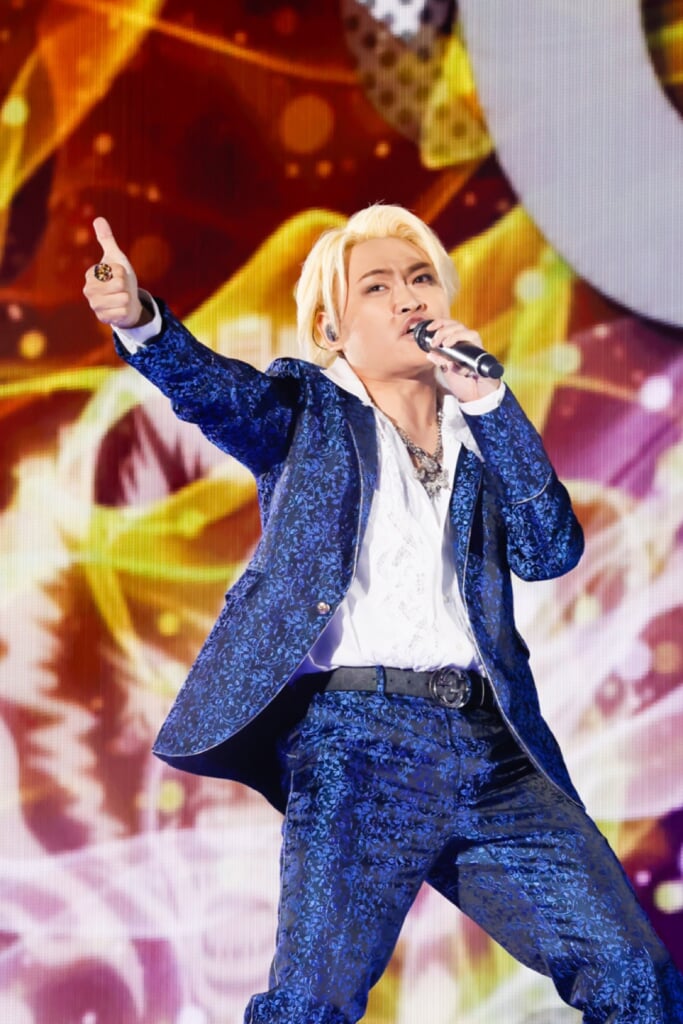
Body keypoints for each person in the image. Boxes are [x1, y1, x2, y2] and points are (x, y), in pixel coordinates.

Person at [84, 205, 683, 1024]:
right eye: (376, 286)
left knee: (633, 976)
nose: (408, 298)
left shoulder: (481, 436)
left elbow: (548, 549)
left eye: (420, 278)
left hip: (492, 748)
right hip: (358, 748)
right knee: (310, 1003)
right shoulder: (305, 412)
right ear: (331, 327)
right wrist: (141, 322)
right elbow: (214, 392)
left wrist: (492, 403)